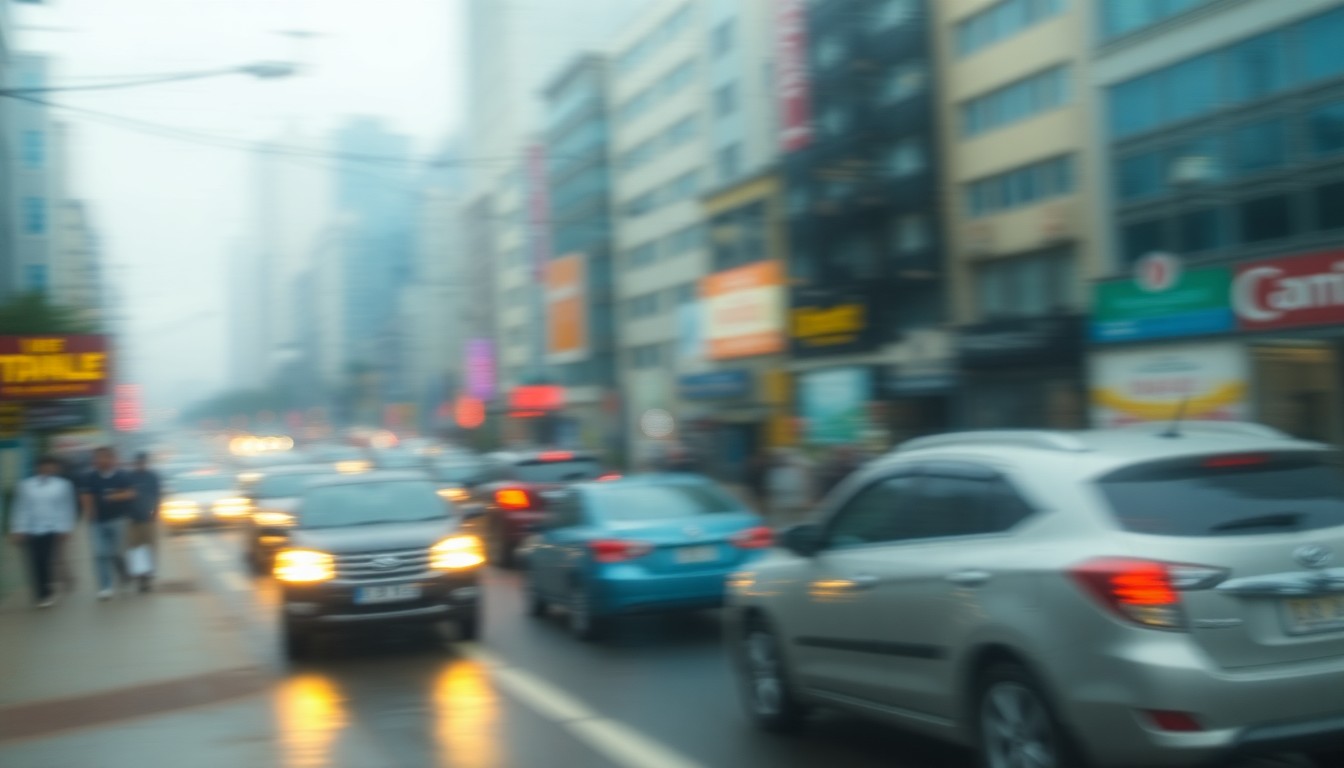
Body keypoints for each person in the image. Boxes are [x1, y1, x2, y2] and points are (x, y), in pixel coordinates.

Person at [7, 456, 79, 608]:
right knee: (34, 562)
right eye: (44, 466)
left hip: (51, 529)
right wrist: (18, 529)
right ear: (37, 468)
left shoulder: (62, 485)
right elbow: (20, 508)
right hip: (31, 529)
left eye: (50, 466)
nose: (47, 469)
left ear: (54, 468)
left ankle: (47, 593)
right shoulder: (26, 486)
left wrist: (65, 528)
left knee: (45, 561)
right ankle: (40, 593)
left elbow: (67, 508)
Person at [80, 446, 137, 600]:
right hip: (97, 522)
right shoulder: (90, 477)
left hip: (118, 519)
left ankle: (124, 575)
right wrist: (88, 510)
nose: (99, 460)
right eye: (97, 458)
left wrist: (114, 496)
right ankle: (105, 586)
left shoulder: (121, 475)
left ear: (112, 459)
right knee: (100, 554)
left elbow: (131, 493)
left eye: (103, 457)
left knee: (117, 553)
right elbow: (86, 495)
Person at [126, 451, 162, 592]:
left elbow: (158, 496)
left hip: (148, 519)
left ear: (146, 463)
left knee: (149, 548)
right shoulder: (129, 477)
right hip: (133, 519)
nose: (141, 464)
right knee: (136, 550)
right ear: (135, 463)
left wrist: (156, 513)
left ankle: (147, 577)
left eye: (143, 462)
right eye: (138, 462)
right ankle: (140, 577)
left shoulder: (152, 477)